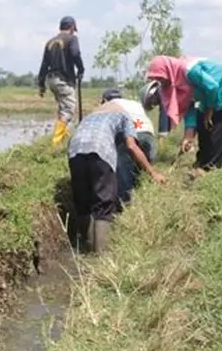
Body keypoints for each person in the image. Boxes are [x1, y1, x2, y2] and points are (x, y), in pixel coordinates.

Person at [67, 104, 167, 253]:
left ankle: (85, 248)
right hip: (100, 152)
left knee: (83, 202)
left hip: (75, 153)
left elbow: (72, 140)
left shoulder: (89, 117)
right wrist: (152, 172)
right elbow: (131, 147)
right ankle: (100, 256)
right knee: (103, 204)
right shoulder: (124, 116)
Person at [145, 55, 222, 174]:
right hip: (208, 96)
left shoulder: (189, 71)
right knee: (201, 125)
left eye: (161, 77)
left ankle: (210, 167)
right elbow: (189, 106)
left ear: (168, 70)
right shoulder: (176, 83)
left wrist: (209, 110)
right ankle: (201, 161)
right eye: (158, 79)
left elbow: (212, 86)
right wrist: (188, 136)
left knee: (217, 128)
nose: (162, 82)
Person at [98, 88, 157, 204]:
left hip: (130, 135)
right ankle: (145, 201)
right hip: (148, 135)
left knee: (123, 174)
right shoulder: (134, 104)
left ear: (104, 100)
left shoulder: (109, 105)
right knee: (143, 171)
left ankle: (124, 206)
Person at [37, 16, 85, 147]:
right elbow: (75, 54)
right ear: (72, 27)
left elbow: (44, 65)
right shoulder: (72, 39)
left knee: (63, 109)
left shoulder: (50, 42)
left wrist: (41, 84)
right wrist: (81, 69)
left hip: (51, 79)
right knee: (69, 110)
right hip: (63, 79)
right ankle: (56, 143)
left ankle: (64, 139)